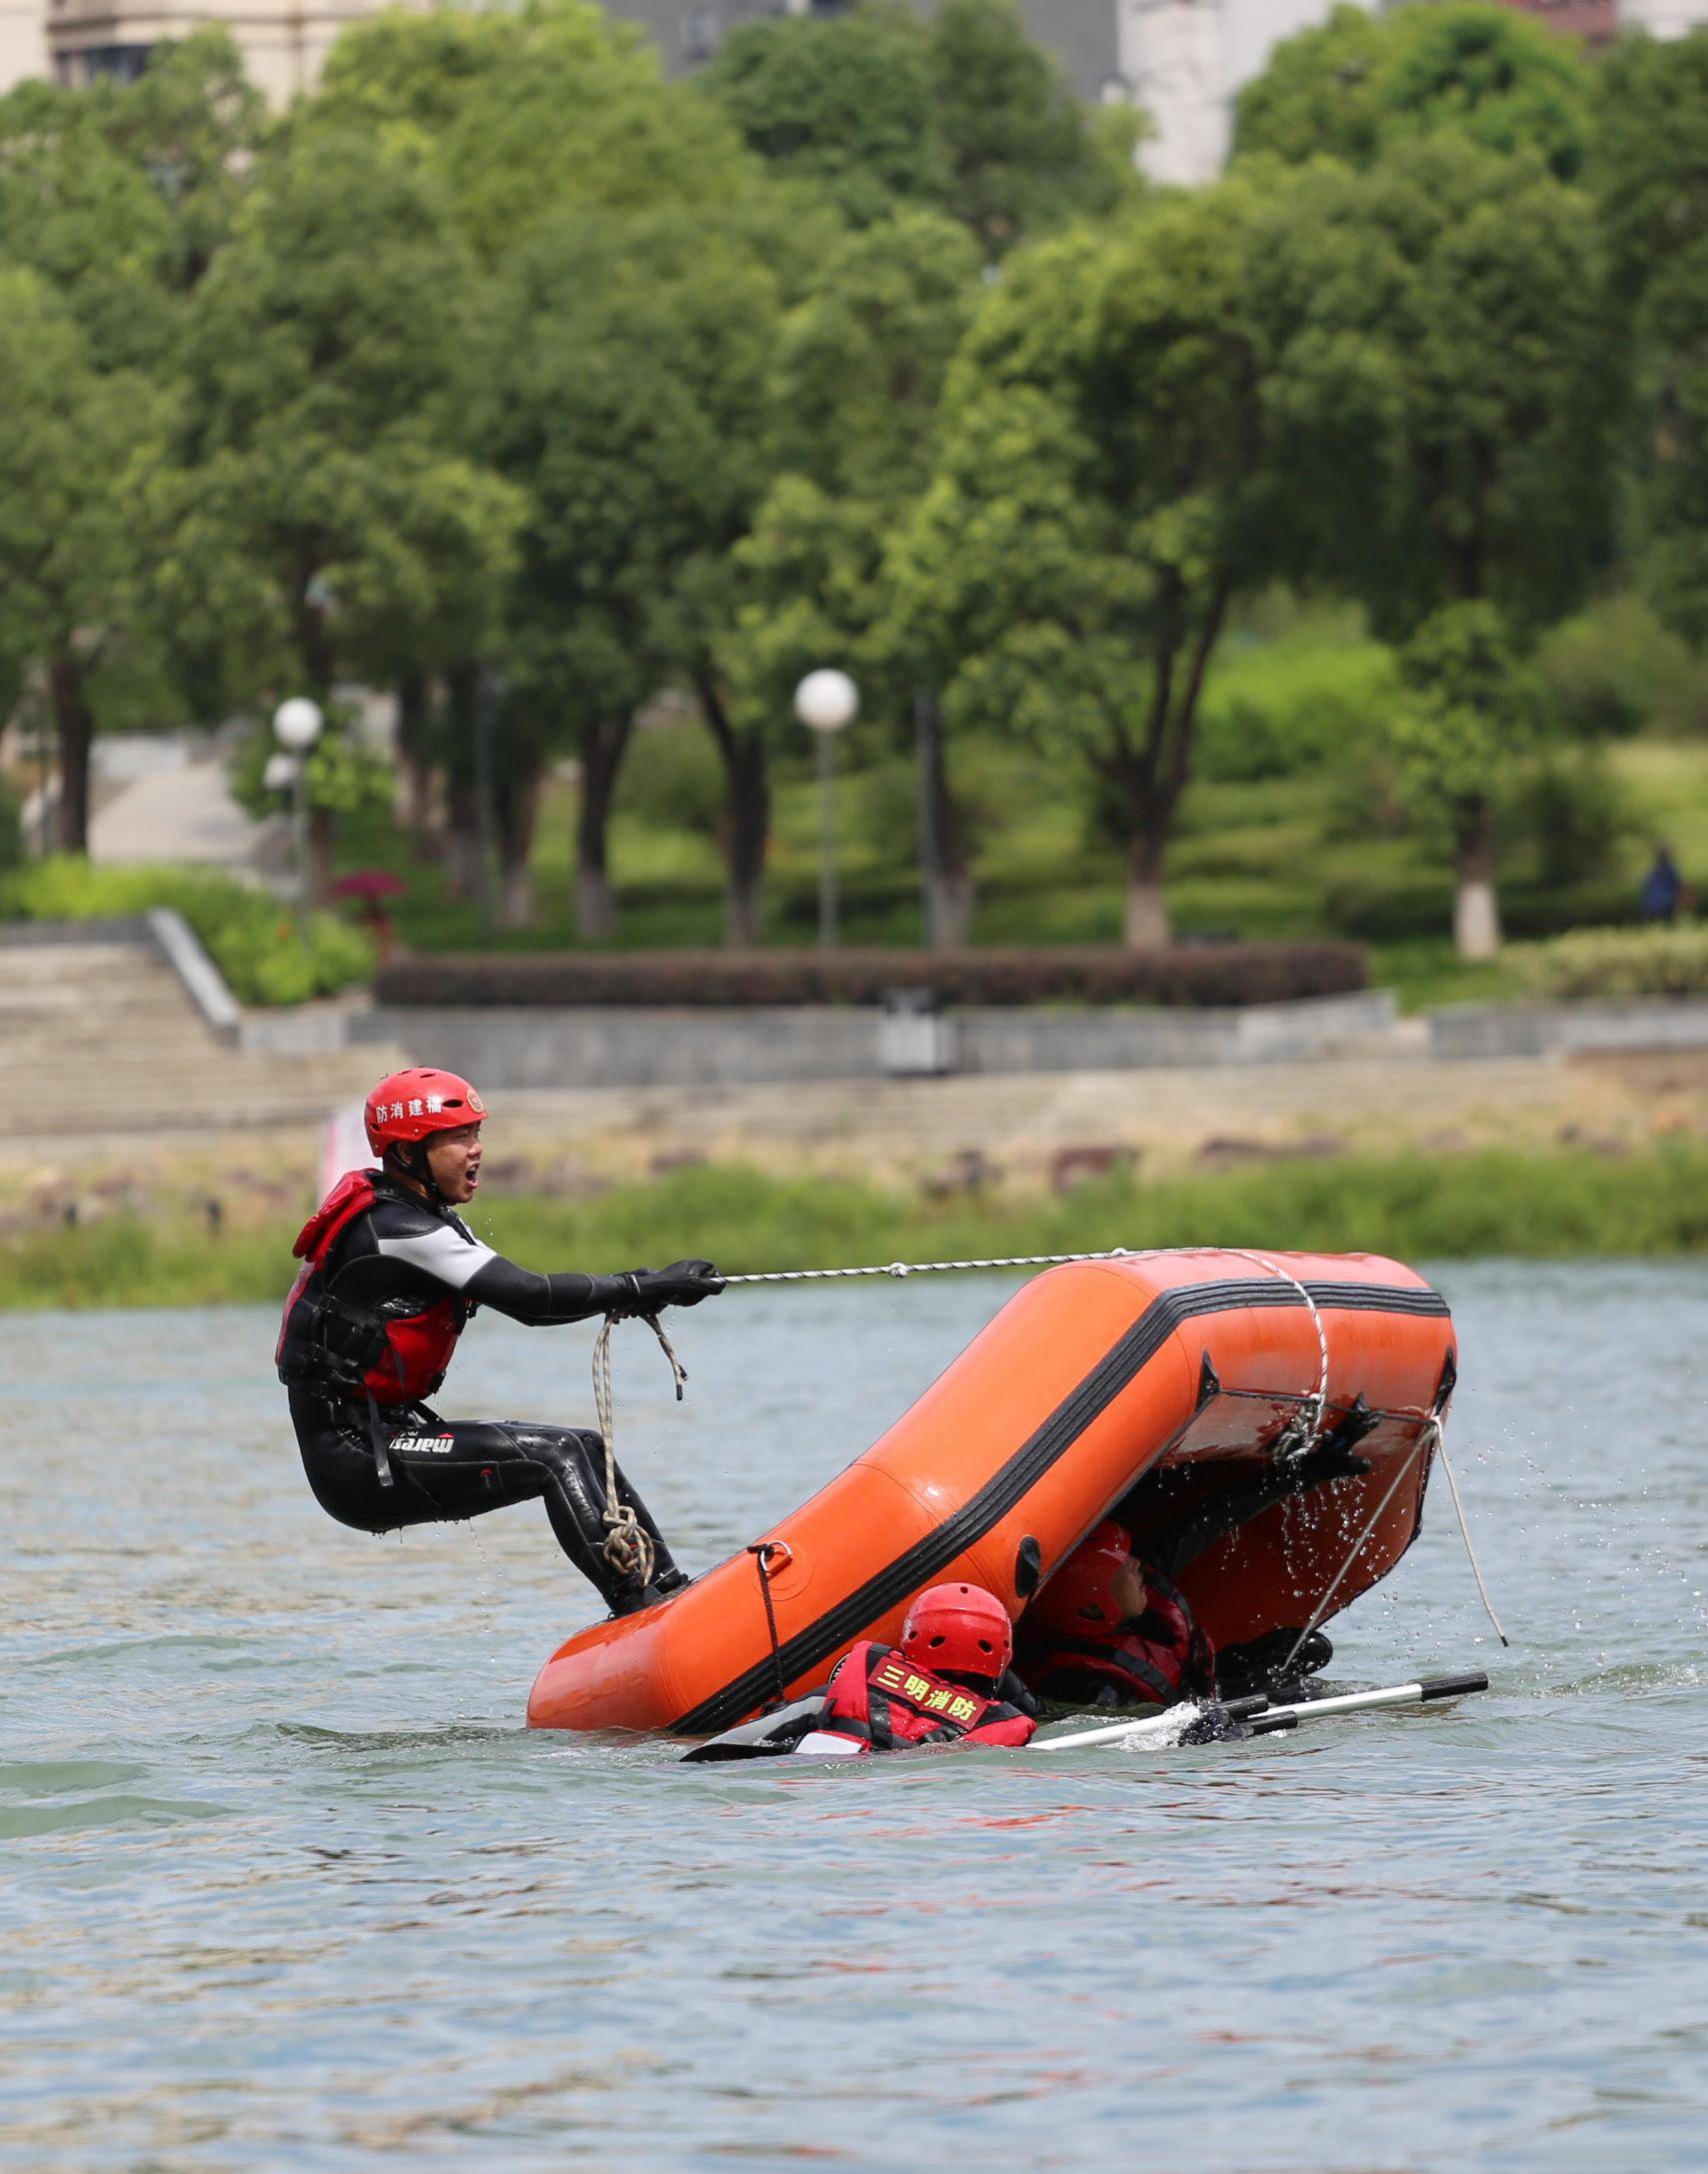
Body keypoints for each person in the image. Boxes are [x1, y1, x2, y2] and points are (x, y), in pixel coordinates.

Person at [277, 1066, 724, 1615]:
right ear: (410, 1152)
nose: (476, 1150)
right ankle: (642, 1611)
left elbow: (527, 1296)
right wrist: (645, 1284)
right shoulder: (396, 1230)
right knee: (554, 1455)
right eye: (460, 1137)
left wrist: (640, 1291)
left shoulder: (422, 1216)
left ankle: (671, 1592)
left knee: (584, 1445)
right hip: (356, 1461)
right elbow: (531, 1299)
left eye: (477, 1134)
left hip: (388, 1437)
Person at [1016, 1438, 1370, 1713]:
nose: (1138, 1565)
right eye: (1123, 1565)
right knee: (1299, 1694)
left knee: (1306, 1650)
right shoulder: (1083, 1687)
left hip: (1196, 1684)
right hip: (1187, 1708)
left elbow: (1209, 1520)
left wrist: (1298, 1475)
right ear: (1093, 1608)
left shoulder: (1136, 1586)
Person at [683, 1583, 1038, 1761]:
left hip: (816, 1785)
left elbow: (723, 1750)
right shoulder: (998, 1724)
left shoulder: (849, 1686)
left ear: (913, 1637)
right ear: (1001, 1654)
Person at [1640, 844, 1686, 925]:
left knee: (1656, 924)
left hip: (1654, 903)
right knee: (1665, 924)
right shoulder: (1668, 870)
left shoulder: (1654, 870)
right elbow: (1678, 885)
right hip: (1665, 903)